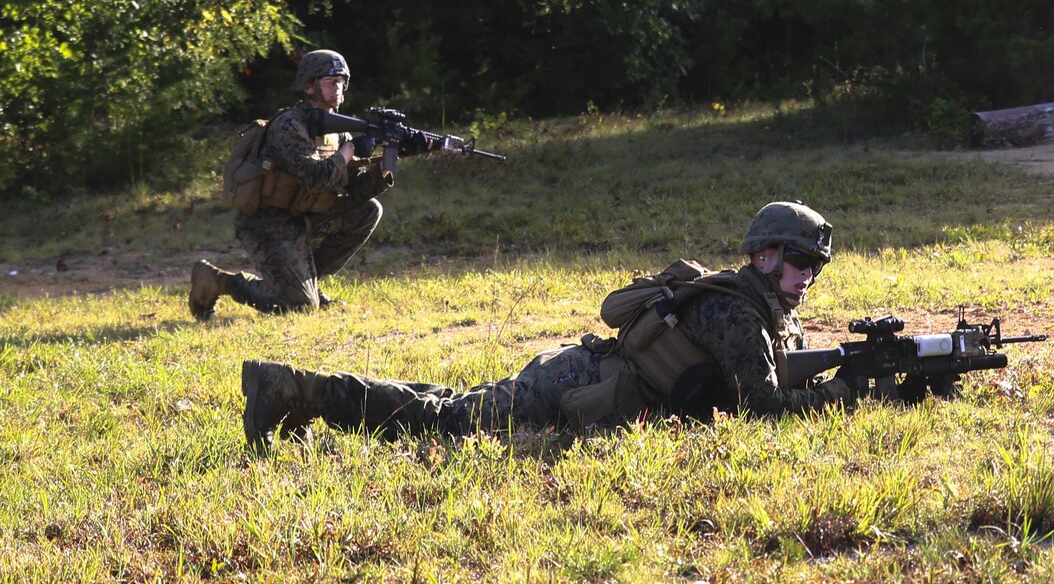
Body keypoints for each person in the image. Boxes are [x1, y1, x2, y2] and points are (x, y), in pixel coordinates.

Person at [240, 201, 861, 452]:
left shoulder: (760, 307)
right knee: (444, 420)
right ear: (766, 256)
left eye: (815, 266)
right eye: (801, 260)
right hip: (572, 384)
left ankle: (308, 394)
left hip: (582, 376)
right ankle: (300, 390)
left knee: (449, 406)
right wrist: (851, 393)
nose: (809, 275)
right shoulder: (738, 312)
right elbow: (764, 408)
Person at [188, 49, 392, 320]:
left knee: (369, 210)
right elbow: (315, 177)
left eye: (342, 81)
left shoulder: (338, 131)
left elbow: (353, 191)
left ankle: (306, 282)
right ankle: (217, 281)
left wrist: (387, 163)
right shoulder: (290, 125)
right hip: (267, 224)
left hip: (302, 218)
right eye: (331, 81)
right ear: (309, 86)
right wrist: (351, 149)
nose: (339, 88)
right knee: (300, 307)